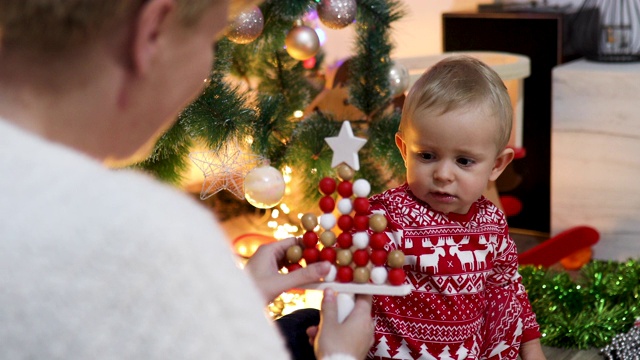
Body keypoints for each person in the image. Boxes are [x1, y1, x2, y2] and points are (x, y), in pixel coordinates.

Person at [0, 0, 373, 359]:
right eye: (212, 38)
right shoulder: (145, 232)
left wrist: (233, 301)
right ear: (153, 32)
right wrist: (340, 354)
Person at [364, 55, 545, 359]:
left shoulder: (491, 223)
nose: (443, 175)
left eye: (464, 161)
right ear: (405, 150)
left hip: (469, 352)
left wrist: (531, 347)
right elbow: (348, 270)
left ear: (496, 166)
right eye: (427, 156)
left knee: (503, 294)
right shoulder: (386, 218)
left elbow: (508, 287)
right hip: (396, 353)